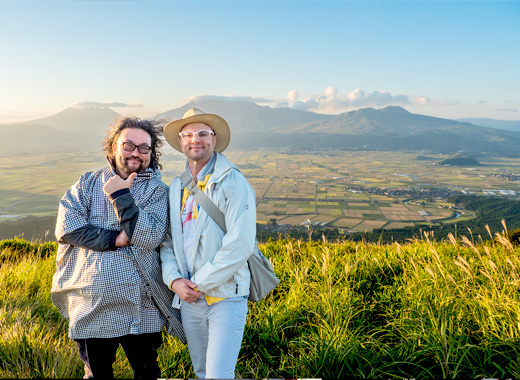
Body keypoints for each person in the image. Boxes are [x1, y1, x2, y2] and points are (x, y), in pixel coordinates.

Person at [51, 117, 186, 379]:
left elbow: (148, 236)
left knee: (146, 371)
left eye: (144, 148)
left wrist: (120, 196)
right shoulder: (87, 183)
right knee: (97, 374)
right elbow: (68, 229)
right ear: (113, 147)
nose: (136, 152)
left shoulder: (158, 191)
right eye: (128, 145)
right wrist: (115, 239)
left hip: (141, 303)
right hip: (91, 303)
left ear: (151, 153)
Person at [160, 108, 257, 379]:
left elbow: (240, 244)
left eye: (203, 133)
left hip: (225, 296)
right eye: (188, 134)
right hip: (190, 298)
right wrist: (174, 281)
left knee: (218, 375)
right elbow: (168, 242)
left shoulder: (233, 182)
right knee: (202, 372)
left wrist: (197, 284)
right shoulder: (176, 187)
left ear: (214, 140)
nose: (196, 139)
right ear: (181, 142)